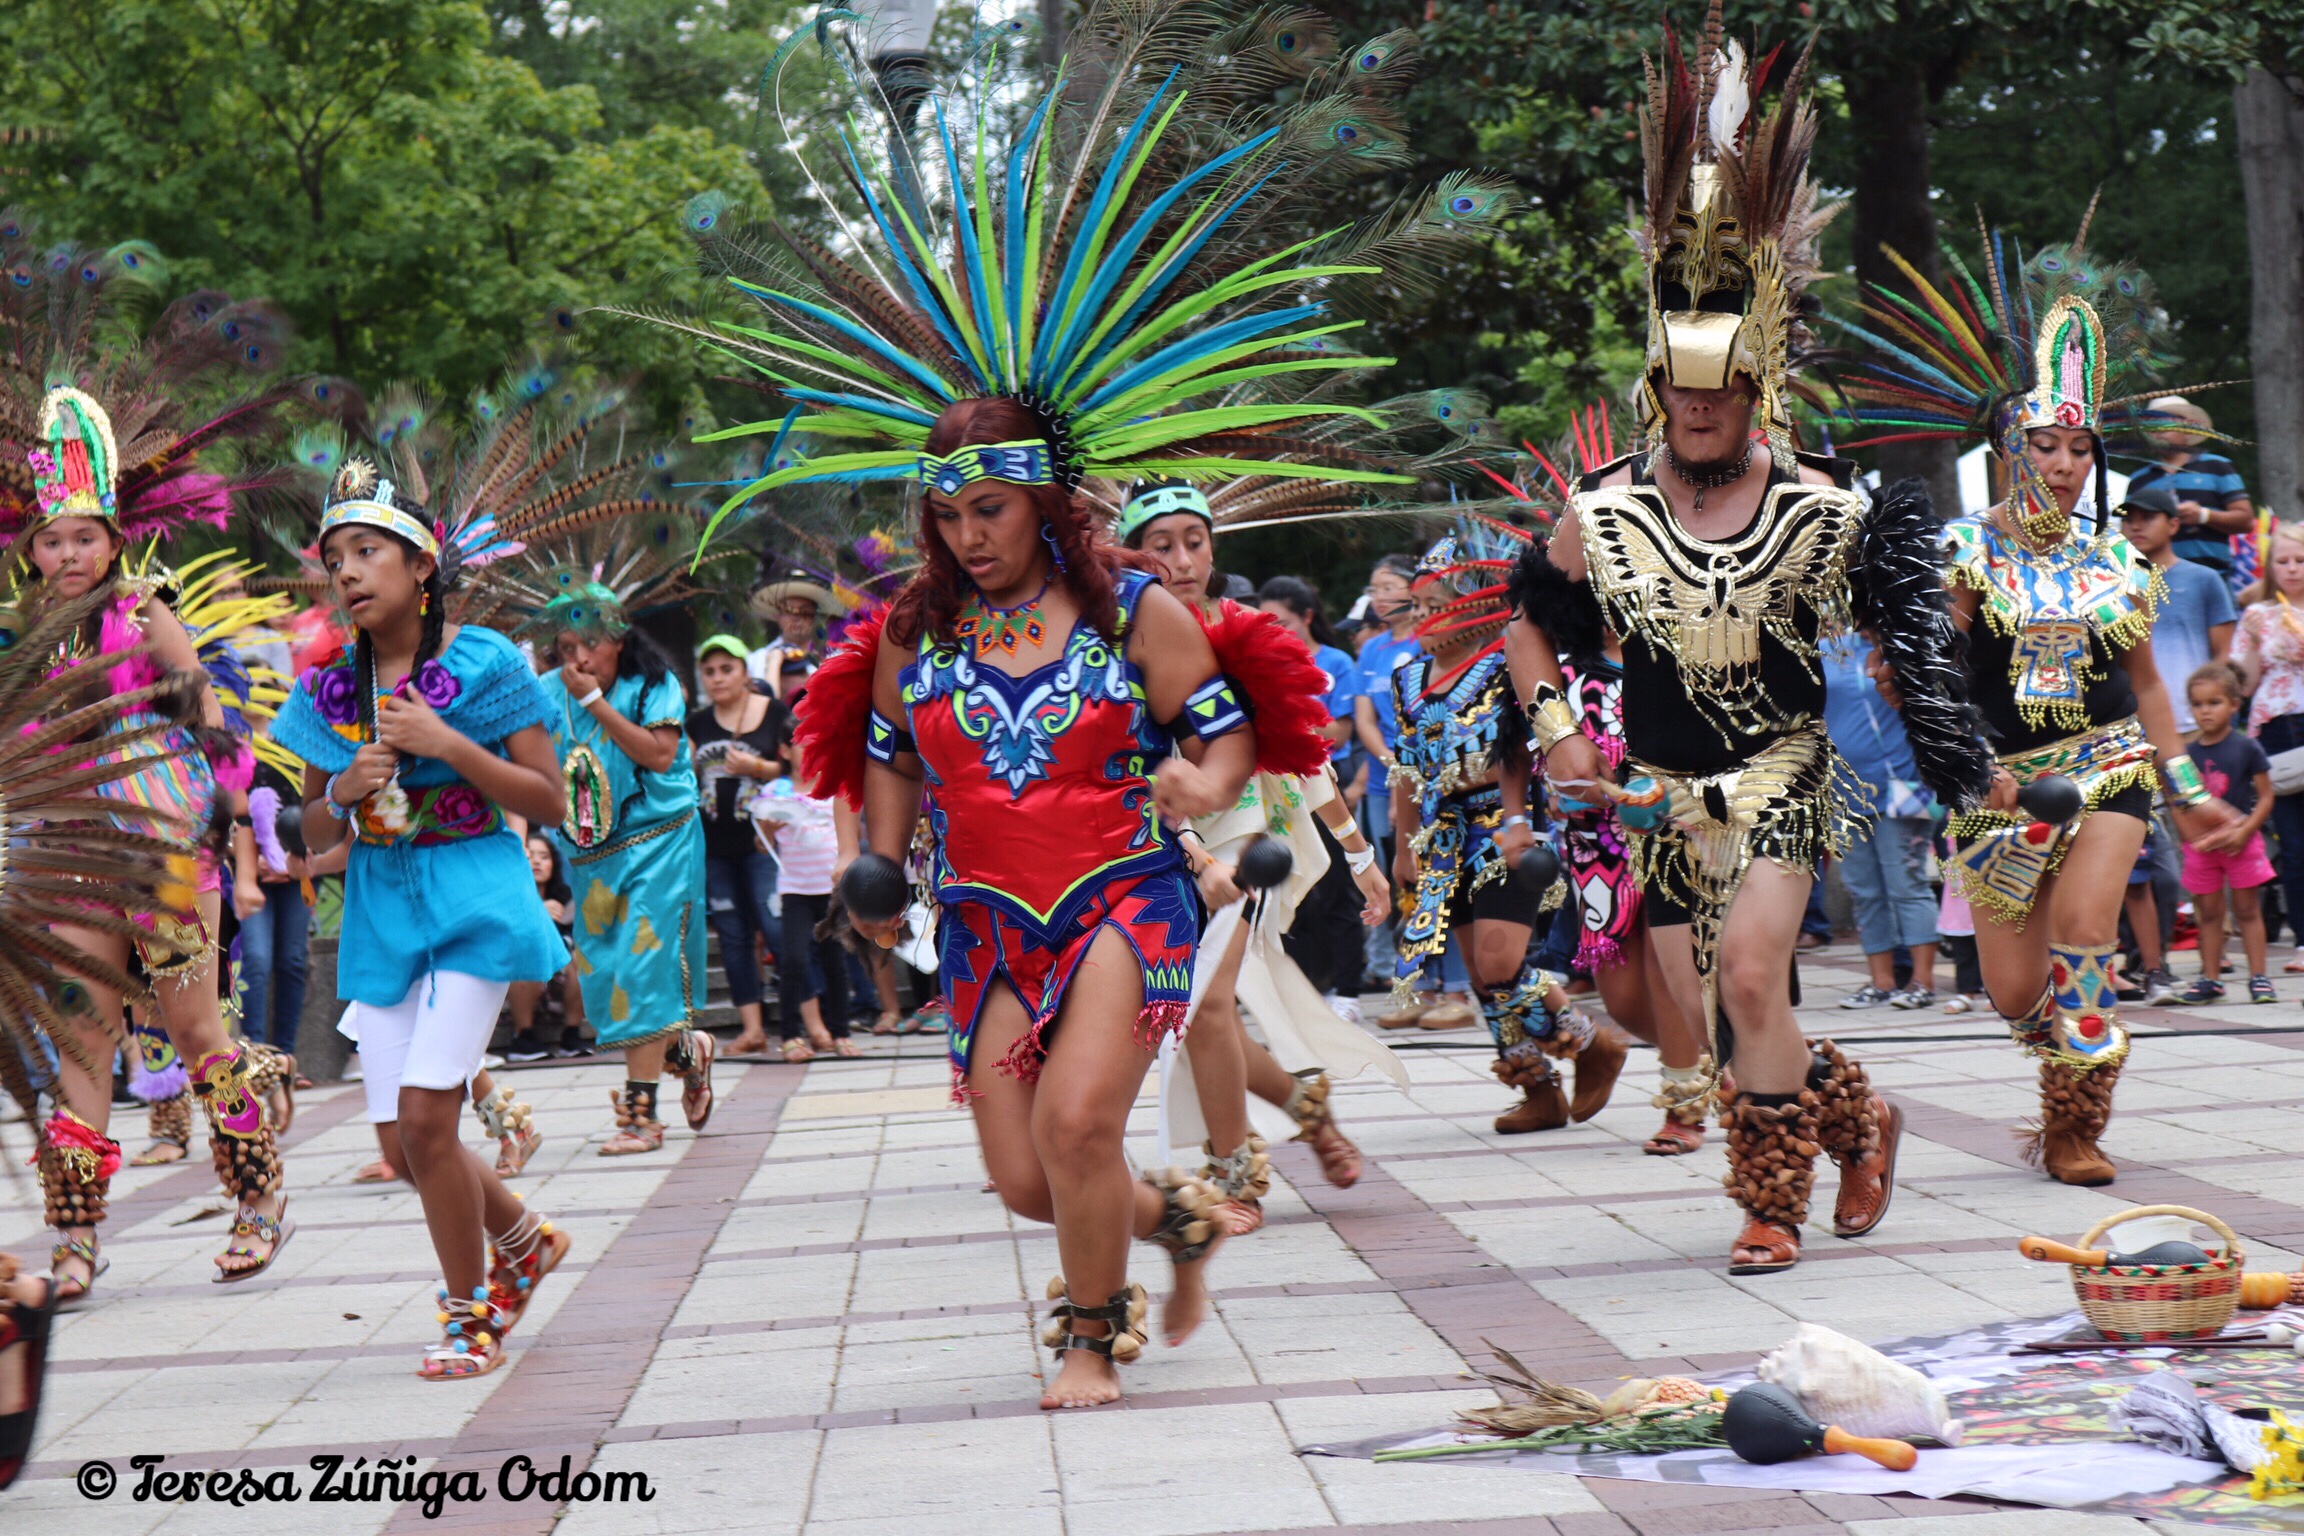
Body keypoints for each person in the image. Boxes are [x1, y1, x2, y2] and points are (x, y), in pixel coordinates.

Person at [1508, 18, 1970, 1271]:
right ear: (1657, 388)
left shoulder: (1822, 506)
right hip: (1656, 796)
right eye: (1683, 389)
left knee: (1756, 979)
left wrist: (1947, 730)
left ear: (1756, 387)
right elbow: (1530, 628)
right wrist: (1558, 734)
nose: (1701, 408)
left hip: (1780, 778)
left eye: (1721, 391)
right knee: (1716, 1026)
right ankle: (1859, 1116)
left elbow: (1914, 630)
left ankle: (1770, 1205)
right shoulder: (1602, 511)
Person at [1841, 224, 2240, 1188]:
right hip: (2000, 789)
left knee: (2088, 933)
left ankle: (2075, 1127)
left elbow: (2149, 686)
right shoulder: (1963, 553)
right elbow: (1931, 669)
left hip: (2107, 765)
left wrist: (2186, 788)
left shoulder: (2117, 562)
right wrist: (1913, 679)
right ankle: (2054, 1061)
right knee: (2016, 991)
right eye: (2044, 445)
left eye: (2079, 448)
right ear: (2006, 449)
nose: (2063, 463)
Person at [271, 460, 574, 1377]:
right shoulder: (327, 688)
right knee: (406, 1146)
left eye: (368, 551)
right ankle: (524, 1239)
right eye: (335, 559)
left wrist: (448, 745)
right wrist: (342, 793)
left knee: (426, 1120)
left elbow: (548, 798)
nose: (348, 572)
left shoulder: (486, 662)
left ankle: (468, 1316)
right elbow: (311, 830)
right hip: (380, 912)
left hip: (476, 897)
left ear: (421, 565)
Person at [11, 387, 295, 1294]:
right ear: (30, 550)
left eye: (84, 537)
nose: (68, 554)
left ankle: (258, 1196)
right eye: (53, 541)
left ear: (113, 539)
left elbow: (208, 712)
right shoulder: (25, 636)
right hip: (72, 857)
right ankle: (75, 1237)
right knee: (82, 1045)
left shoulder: (142, 609)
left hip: (164, 850)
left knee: (195, 1027)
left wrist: (225, 817)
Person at [1119, 480, 1399, 1207]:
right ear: (1132, 553)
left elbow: (1300, 752)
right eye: (1162, 545)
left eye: (1195, 542)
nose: (1183, 560)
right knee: (1189, 1013)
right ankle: (1307, 1110)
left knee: (1204, 1004)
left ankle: (1236, 1177)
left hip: (1246, 838)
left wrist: (1360, 854)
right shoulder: (1109, 640)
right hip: (1147, 843)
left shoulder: (1245, 630)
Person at [1398, 523, 1630, 1135]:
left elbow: (1517, 752)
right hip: (1442, 836)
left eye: (1434, 605)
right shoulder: (1407, 680)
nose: (1421, 617)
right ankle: (1538, 1090)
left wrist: (1519, 820)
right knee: (1482, 976)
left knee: (1501, 962)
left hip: (1502, 828)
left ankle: (1592, 1045)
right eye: (1415, 605)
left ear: (1469, 612)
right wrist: (1401, 846)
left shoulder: (1505, 665)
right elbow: (1405, 769)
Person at [540, 595, 718, 1155]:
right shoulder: (545, 692)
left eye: (590, 643)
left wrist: (592, 702)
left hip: (660, 843)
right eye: (566, 647)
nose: (578, 657)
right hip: (590, 856)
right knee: (609, 979)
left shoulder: (655, 685)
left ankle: (642, 1118)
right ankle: (687, 1053)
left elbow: (660, 756)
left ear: (618, 640)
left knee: (643, 971)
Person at [1255, 575, 1370, 1020]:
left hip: (1325, 786)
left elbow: (1340, 731)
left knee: (1339, 889)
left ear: (1306, 617)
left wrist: (1287, 715)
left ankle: (1348, 992)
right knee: (1289, 890)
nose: (1276, 632)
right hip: (1276, 790)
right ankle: (1299, 991)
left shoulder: (1336, 662)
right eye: (1268, 624)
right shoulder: (1259, 661)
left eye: (1283, 622)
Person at [1822, 633, 1940, 1009]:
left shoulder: (1904, 644)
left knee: (1907, 884)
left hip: (1902, 789)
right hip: (1843, 793)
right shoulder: (1822, 650)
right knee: (1864, 891)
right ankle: (1881, 982)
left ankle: (1922, 982)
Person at [691, 632, 786, 1056]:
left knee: (776, 927)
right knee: (732, 935)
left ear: (745, 672)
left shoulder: (774, 713)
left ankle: (805, 1021)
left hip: (764, 843)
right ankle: (752, 1029)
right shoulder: (696, 724)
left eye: (726, 669)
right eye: (709, 671)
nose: (718, 678)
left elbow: (799, 768)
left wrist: (756, 766)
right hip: (715, 848)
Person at [2176, 663, 2276, 1003]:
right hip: (2203, 849)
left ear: (2234, 704)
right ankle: (2210, 978)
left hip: (2241, 843)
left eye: (2214, 702)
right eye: (2197, 704)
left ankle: (2259, 978)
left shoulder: (2247, 747)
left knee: (2247, 910)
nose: (2205, 711)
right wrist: (2190, 837)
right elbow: (2179, 802)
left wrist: (2245, 831)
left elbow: (2266, 797)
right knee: (2209, 914)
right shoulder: (2187, 754)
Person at [2232, 526, 2304, 974]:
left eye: (2300, 561)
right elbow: (2241, 685)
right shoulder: (2258, 614)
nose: (2292, 569)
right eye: (2283, 562)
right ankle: (2302, 940)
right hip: (2276, 728)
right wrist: (2257, 642)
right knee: (2293, 843)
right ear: (2270, 567)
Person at [752, 764, 859, 1062]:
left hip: (831, 888)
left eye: (812, 744)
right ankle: (790, 1037)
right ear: (786, 752)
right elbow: (761, 846)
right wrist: (769, 830)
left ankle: (841, 1034)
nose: (807, 751)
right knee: (793, 960)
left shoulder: (835, 785)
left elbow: (853, 832)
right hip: (794, 890)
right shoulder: (775, 792)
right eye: (800, 745)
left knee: (835, 962)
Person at [2120, 486, 2236, 733]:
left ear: (2173, 525)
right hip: (2131, 726)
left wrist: (2211, 713)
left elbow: (2224, 655)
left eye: (2147, 518)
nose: (2136, 527)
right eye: (2128, 519)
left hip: (2194, 723)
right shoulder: (2111, 585)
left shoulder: (2205, 579)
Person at [2126, 398, 2255, 588]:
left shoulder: (2217, 466)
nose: (2157, 431)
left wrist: (2203, 516)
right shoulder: (2138, 480)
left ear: (2187, 428)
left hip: (2213, 579)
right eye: (2151, 426)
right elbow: (2127, 531)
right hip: (2156, 583)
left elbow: (2246, 521)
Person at [503, 830, 579, 1062]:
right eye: (531, 856)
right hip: (516, 971)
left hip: (560, 972)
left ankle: (573, 1034)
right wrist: (537, 911)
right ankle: (523, 1036)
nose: (537, 862)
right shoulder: (506, 897)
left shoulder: (566, 898)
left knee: (580, 957)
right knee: (530, 951)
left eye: (544, 857)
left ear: (554, 864)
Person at [746, 570, 843, 697]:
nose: (796, 618)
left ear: (816, 617)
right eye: (788, 610)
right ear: (777, 615)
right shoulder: (755, 661)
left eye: (805, 612)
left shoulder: (836, 659)